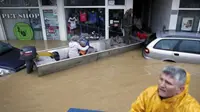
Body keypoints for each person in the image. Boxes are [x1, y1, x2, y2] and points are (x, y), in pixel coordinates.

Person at [129, 66, 200, 112]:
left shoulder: (191, 108)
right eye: (161, 79)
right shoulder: (148, 93)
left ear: (180, 89)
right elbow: (135, 109)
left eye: (168, 83)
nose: (161, 85)